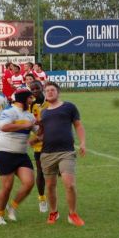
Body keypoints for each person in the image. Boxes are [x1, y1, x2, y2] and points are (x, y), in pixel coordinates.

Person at [40, 81, 86, 227]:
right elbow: (41, 133)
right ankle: (54, 212)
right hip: (47, 153)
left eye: (52, 90)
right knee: (50, 186)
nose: (49, 92)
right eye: (47, 91)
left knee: (70, 185)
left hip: (66, 152)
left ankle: (72, 214)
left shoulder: (69, 107)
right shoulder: (44, 112)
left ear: (58, 92)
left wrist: (83, 142)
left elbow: (78, 125)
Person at [0, 88, 37, 225]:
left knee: (29, 182)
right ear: (23, 99)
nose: (32, 101)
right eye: (30, 98)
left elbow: (38, 131)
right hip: (5, 152)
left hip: (21, 154)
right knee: (7, 187)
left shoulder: (30, 116)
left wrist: (46, 129)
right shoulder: (9, 112)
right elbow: (3, 127)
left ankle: (12, 206)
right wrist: (24, 125)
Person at [28, 81, 49, 213]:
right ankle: (42, 198)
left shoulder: (50, 102)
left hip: (53, 142)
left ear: (42, 88)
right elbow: (32, 123)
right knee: (40, 171)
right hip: (39, 143)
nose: (35, 90)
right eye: (33, 89)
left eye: (37, 88)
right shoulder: (31, 105)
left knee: (56, 172)